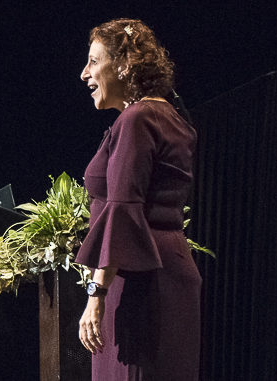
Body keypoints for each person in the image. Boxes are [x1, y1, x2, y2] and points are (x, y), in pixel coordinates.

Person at [74, 19, 201, 380]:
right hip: (169, 272)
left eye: (94, 62)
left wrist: (96, 292)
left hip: (138, 282)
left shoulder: (137, 118)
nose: (85, 73)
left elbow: (124, 208)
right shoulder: (172, 118)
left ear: (125, 64)